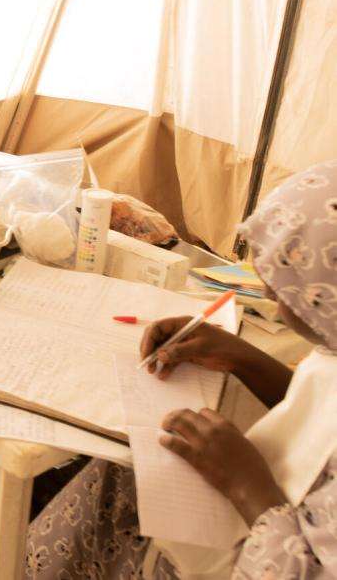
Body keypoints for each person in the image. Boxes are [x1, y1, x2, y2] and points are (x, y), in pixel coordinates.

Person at [25, 160, 337, 578]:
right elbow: (319, 409)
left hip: (250, 545)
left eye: (282, 292)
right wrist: (243, 357)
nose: (267, 294)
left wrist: (246, 485)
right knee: (120, 470)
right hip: (243, 505)